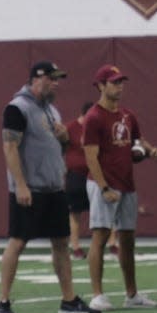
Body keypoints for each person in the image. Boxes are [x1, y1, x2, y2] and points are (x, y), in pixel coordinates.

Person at [0, 61, 98, 313]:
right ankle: (2, 302)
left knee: (61, 242)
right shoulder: (17, 108)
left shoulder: (52, 111)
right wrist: (21, 185)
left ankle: (69, 300)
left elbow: (56, 148)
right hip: (30, 188)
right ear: (37, 79)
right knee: (17, 241)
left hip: (53, 188)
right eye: (52, 79)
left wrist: (63, 139)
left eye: (58, 79)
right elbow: (10, 148)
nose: (56, 83)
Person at [83, 64, 157, 311]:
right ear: (100, 85)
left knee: (127, 239)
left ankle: (132, 295)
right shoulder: (94, 117)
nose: (119, 86)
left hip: (127, 183)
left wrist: (150, 150)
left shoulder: (128, 114)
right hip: (103, 184)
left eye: (121, 82)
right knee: (100, 235)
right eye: (114, 82)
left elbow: (137, 140)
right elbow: (90, 156)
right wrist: (104, 186)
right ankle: (97, 295)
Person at [63, 101, 92, 259]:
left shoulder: (95, 129)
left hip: (93, 175)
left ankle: (110, 243)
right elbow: (62, 147)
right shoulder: (71, 128)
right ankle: (75, 246)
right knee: (75, 212)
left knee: (102, 210)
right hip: (75, 176)